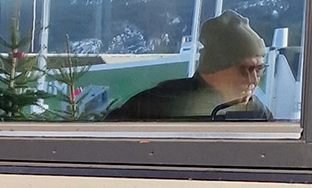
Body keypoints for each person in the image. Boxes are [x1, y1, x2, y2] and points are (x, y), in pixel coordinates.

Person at [105, 10, 274, 121]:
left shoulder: (257, 114)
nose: (254, 80)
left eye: (259, 70)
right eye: (245, 70)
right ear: (217, 66)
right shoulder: (162, 103)